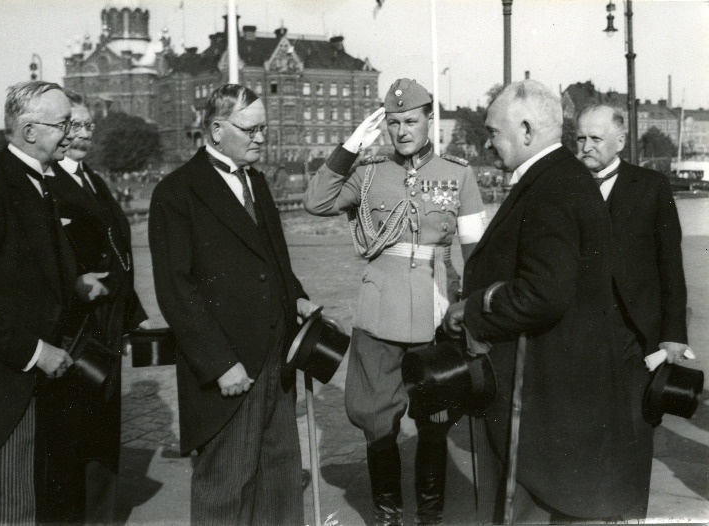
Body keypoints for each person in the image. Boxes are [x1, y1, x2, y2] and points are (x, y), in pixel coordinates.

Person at [443, 80, 642, 523]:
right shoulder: (563, 178)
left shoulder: (551, 187)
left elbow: (543, 293)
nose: (487, 142)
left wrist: (472, 309)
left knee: (530, 509)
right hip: (564, 389)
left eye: (494, 132)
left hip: (541, 395)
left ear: (528, 130)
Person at [304, 78, 486, 526]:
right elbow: (316, 200)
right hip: (379, 310)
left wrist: (473, 314)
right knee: (375, 416)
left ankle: (430, 514)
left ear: (429, 119)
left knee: (436, 416)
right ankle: (387, 516)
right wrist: (349, 148)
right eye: (394, 122)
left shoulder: (458, 174)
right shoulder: (367, 174)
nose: (402, 131)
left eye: (411, 120)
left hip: (435, 308)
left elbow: (478, 253)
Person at [0, 80, 109, 523]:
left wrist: (74, 283)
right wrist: (37, 352)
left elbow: (27, 273)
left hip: (24, 390)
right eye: (62, 124)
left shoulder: (36, 185)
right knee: (7, 514)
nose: (70, 133)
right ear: (30, 131)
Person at [148, 84, 318, 526]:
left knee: (279, 484)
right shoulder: (177, 192)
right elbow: (175, 290)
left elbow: (276, 260)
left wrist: (296, 297)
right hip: (229, 371)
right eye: (251, 128)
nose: (262, 137)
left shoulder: (256, 182)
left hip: (277, 363)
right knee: (226, 489)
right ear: (217, 130)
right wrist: (219, 363)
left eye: (264, 128)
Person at [36, 90, 149, 524]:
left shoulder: (93, 180)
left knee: (102, 435)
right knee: (70, 439)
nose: (82, 135)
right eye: (73, 126)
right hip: (72, 330)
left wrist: (127, 319)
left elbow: (118, 251)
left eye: (88, 127)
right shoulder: (46, 182)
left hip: (104, 327)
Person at [575, 103, 690, 518]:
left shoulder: (651, 186)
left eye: (595, 139)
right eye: (580, 138)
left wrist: (674, 333)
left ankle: (628, 514)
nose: (586, 146)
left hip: (635, 333)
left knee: (634, 430)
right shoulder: (565, 185)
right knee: (583, 428)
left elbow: (670, 266)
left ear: (620, 140)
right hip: (578, 332)